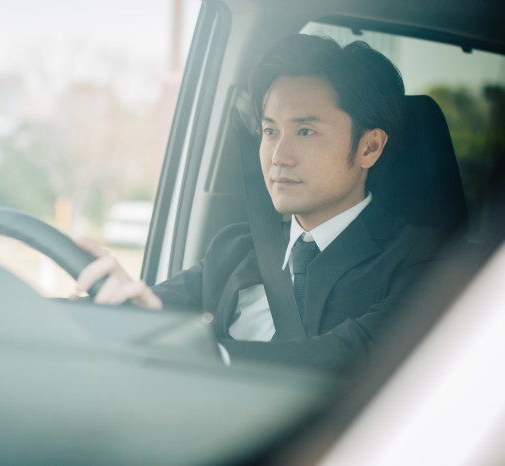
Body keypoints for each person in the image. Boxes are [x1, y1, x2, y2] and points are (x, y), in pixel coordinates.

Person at [75, 34, 447, 371]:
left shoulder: (422, 260)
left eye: (305, 131)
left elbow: (358, 353)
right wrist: (122, 308)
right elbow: (150, 311)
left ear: (369, 147)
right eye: (270, 131)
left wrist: (207, 357)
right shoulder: (233, 250)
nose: (279, 156)